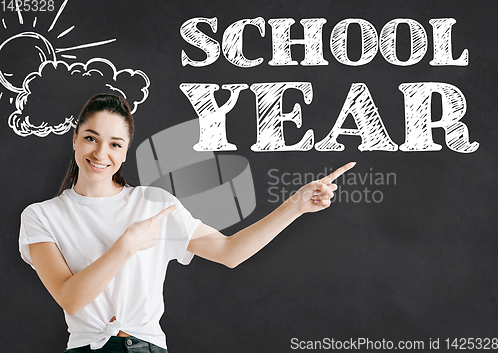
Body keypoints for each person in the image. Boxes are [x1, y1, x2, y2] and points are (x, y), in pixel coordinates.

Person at [18, 93, 356, 352]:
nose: (100, 153)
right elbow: (71, 298)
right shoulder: (42, 216)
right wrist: (127, 245)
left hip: (146, 346)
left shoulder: (153, 204)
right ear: (75, 138)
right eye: (91, 138)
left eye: (115, 144)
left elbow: (229, 251)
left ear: (124, 153)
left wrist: (295, 205)